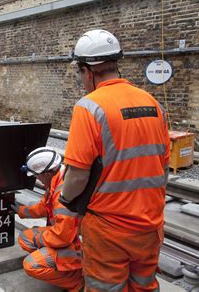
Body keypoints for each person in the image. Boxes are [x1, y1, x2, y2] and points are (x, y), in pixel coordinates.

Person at [59, 29, 170, 291]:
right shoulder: (153, 103)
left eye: (80, 74)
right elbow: (162, 168)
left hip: (109, 229)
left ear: (87, 70)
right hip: (150, 225)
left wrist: (65, 200)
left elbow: (77, 176)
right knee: (144, 285)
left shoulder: (89, 107)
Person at [14, 147, 83, 292]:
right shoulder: (58, 179)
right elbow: (43, 207)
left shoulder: (63, 193)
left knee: (31, 265)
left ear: (47, 172)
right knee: (24, 238)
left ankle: (77, 281)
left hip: (77, 243)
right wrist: (20, 211)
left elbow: (62, 237)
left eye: (36, 175)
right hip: (67, 235)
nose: (36, 179)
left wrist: (39, 239)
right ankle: (63, 269)